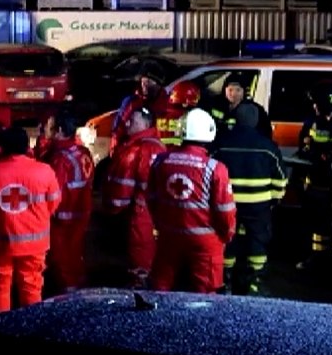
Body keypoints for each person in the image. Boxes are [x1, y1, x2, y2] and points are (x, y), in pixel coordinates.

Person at [0, 126, 61, 314]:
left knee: (0, 287)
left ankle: (1, 328)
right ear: (27, 146)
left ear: (2, 146)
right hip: (34, 244)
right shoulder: (44, 171)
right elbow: (53, 203)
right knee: (31, 287)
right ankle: (31, 327)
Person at [148, 108, 235, 293]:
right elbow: (224, 211)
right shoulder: (215, 168)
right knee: (205, 295)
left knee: (159, 288)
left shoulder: (161, 161)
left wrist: (161, 225)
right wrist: (227, 235)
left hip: (169, 235)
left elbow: (152, 198)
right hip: (204, 242)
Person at [212, 103, 288, 296]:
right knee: (257, 239)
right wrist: (274, 199)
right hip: (258, 204)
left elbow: (210, 170)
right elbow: (280, 178)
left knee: (227, 238)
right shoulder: (268, 146)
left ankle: (225, 279)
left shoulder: (221, 142)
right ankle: (255, 280)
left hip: (228, 202)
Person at [100, 106, 167, 288]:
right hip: (154, 213)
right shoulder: (157, 146)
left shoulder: (138, 149)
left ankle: (140, 291)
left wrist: (111, 208)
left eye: (133, 121)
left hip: (140, 214)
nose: (128, 123)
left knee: (140, 257)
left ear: (145, 125)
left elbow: (122, 188)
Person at [291, 79, 332, 271]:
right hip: (317, 183)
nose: (314, 106)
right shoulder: (312, 122)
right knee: (318, 226)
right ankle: (318, 260)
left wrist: (327, 155)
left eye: (316, 102)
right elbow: (304, 148)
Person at [39, 110, 96, 294]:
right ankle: (79, 291)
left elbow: (52, 193)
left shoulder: (59, 159)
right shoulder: (82, 152)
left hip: (62, 219)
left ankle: (68, 298)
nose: (44, 129)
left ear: (60, 130)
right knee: (75, 256)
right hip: (80, 213)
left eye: (48, 126)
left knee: (62, 260)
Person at [109, 63, 168, 157]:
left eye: (149, 81)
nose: (144, 84)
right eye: (143, 81)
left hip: (160, 155)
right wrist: (115, 152)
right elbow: (119, 128)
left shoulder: (167, 106)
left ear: (158, 84)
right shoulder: (131, 102)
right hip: (132, 152)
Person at [207, 77, 273, 141]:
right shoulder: (216, 104)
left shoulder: (252, 110)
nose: (233, 94)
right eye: (230, 90)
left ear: (243, 91)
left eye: (238, 90)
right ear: (225, 90)